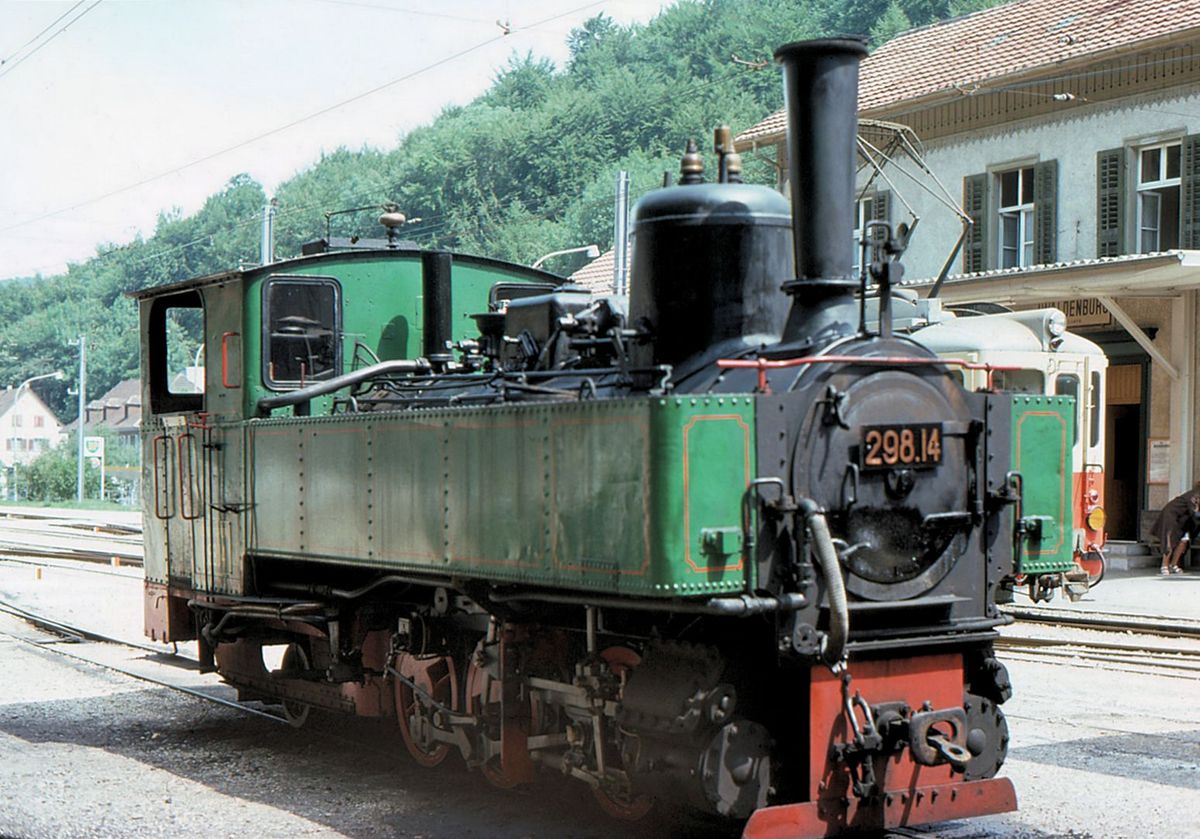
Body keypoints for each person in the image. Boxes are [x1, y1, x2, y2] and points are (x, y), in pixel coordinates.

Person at [1153, 483, 1200, 575]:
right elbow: (1194, 513)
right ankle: (1164, 565)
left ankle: (1173, 564)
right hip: (1171, 517)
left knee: (1184, 540)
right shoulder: (1193, 496)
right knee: (1170, 540)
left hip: (1183, 521)